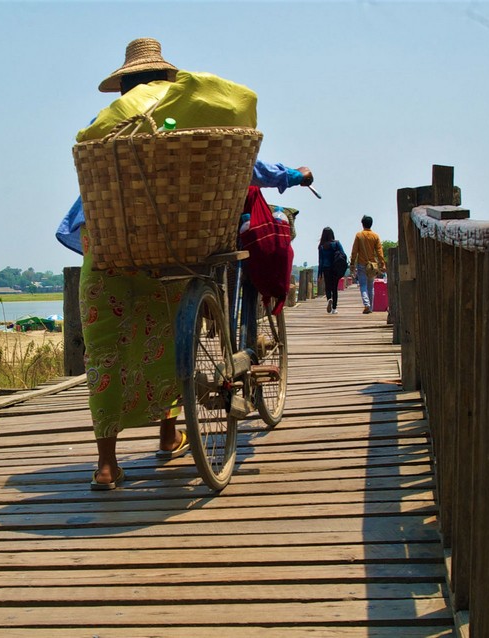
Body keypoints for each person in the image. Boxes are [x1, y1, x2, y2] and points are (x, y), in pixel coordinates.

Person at [56, 37, 313, 490]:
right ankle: (169, 432)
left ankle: (106, 464)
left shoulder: (108, 126)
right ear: (168, 80)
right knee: (168, 337)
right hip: (173, 250)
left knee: (106, 354)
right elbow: (247, 165)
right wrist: (295, 175)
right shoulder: (191, 113)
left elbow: (73, 221)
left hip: (112, 251)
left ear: (123, 85)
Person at [350, 215, 387, 314]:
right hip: (372, 266)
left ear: (362, 224)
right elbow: (379, 252)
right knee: (371, 286)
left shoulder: (359, 235)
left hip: (362, 264)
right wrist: (382, 263)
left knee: (363, 285)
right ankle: (370, 308)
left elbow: (354, 251)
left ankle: (366, 304)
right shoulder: (375, 236)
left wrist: (352, 263)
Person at [317, 227, 346, 314]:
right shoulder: (336, 243)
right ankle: (334, 308)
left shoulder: (321, 246)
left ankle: (329, 299)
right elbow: (343, 254)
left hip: (326, 268)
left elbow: (320, 261)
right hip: (335, 268)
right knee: (334, 288)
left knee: (328, 287)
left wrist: (319, 274)